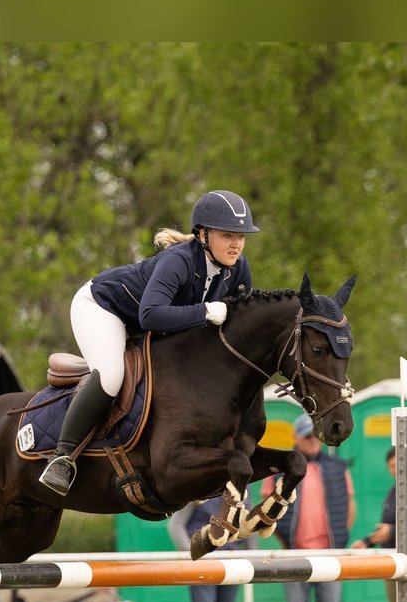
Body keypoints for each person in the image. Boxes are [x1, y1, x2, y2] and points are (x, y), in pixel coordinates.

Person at [39, 189, 259, 495]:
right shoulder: (179, 261)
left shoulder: (238, 268)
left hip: (149, 323)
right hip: (102, 308)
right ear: (203, 235)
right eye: (227, 235)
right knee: (112, 375)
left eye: (241, 236)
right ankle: (62, 457)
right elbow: (151, 316)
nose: (236, 244)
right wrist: (204, 311)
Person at [265, 414, 356, 602]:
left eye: (315, 436)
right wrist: (285, 544)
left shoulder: (338, 467)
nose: (313, 441)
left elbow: (349, 506)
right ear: (296, 439)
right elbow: (268, 508)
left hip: (329, 555)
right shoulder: (281, 469)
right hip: (294, 555)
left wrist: (339, 541)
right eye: (307, 436)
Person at [351, 446, 397, 602]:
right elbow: (386, 527)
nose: (396, 469)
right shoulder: (393, 492)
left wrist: (391, 532)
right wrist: (367, 542)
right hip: (393, 562)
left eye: (398, 464)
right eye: (392, 465)